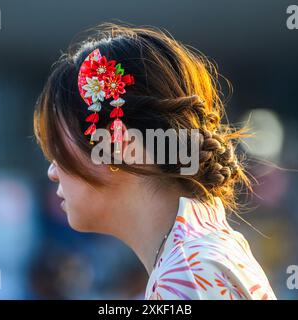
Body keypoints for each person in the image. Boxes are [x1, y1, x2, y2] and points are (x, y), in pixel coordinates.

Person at [33, 23, 276, 300]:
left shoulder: (186, 274)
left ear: (118, 144)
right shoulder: (197, 256)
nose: (52, 171)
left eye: (58, 149)